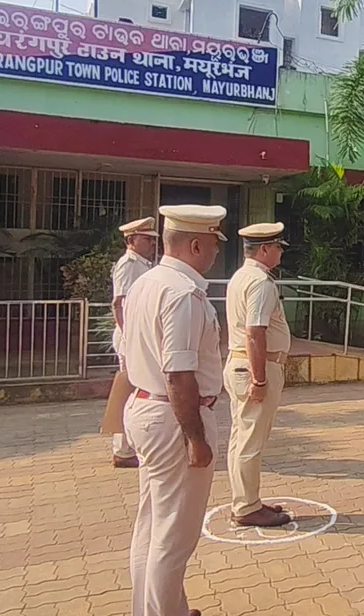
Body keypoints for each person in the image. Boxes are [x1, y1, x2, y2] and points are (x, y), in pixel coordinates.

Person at [121, 204, 227, 616]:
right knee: (173, 537)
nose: (217, 252)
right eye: (215, 243)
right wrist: (196, 438)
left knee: (151, 526)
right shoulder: (183, 294)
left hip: (147, 408)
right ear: (196, 245)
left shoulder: (147, 283)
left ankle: (161, 609)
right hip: (174, 416)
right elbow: (179, 374)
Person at [224, 223, 294, 529]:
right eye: (277, 247)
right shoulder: (261, 283)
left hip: (240, 363)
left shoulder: (241, 277)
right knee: (250, 439)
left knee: (241, 436)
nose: (280, 252)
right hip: (256, 365)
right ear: (264, 250)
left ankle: (245, 499)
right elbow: (255, 332)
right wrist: (260, 379)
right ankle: (247, 507)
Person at [109, 216, 157, 469]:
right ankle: (123, 449)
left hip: (137, 335)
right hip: (130, 337)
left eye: (152, 239)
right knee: (129, 391)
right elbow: (120, 303)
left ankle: (127, 447)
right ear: (131, 240)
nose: (151, 243)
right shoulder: (128, 264)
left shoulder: (144, 264)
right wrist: (129, 334)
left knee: (135, 389)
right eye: (146, 239)